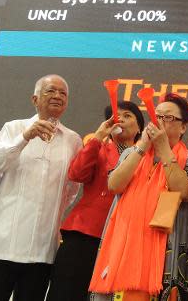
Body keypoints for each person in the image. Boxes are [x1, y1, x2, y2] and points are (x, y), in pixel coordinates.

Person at [0, 74, 82, 301]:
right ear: (35, 99)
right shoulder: (14, 128)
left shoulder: (73, 140)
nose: (58, 96)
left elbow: (70, 190)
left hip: (42, 251)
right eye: (51, 91)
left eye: (63, 93)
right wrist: (24, 138)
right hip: (1, 244)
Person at [89, 92, 188, 301]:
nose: (160, 121)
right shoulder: (130, 153)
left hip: (164, 254)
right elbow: (114, 185)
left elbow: (184, 191)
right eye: (157, 116)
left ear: (183, 127)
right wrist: (142, 147)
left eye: (168, 118)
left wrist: (164, 150)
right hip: (121, 249)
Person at [46, 101, 145, 301]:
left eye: (127, 116)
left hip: (122, 240)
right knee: (66, 293)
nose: (121, 120)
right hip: (85, 234)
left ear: (140, 127)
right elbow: (76, 173)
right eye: (116, 117)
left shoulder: (145, 157)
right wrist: (98, 137)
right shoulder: (98, 148)